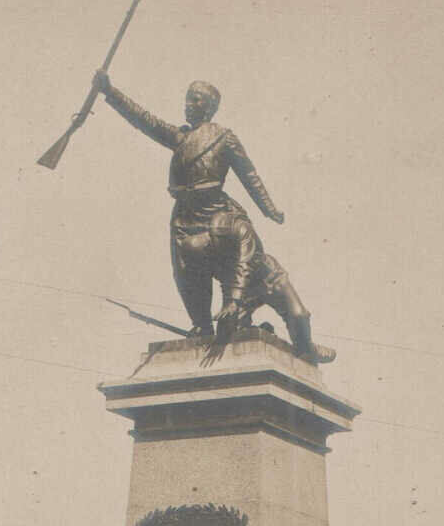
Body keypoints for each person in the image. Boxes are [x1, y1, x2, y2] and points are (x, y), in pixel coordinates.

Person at [93, 71, 335, 364]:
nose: (187, 105)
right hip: (185, 216)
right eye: (186, 98)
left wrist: (269, 208)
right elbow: (145, 120)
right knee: (187, 271)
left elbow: (249, 175)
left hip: (215, 216)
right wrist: (110, 92)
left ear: (209, 106)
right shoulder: (179, 137)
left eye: (194, 99)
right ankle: (201, 325)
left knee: (294, 312)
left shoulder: (224, 139)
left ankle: (303, 346)